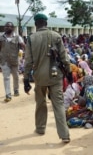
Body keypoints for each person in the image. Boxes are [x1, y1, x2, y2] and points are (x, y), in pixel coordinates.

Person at [23, 14, 73, 143]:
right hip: (56, 76)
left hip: (39, 77)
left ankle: (40, 128)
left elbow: (28, 61)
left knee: (40, 103)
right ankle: (64, 135)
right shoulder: (56, 35)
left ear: (36, 24)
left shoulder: (31, 38)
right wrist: (69, 72)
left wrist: (26, 79)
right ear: (46, 22)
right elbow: (64, 57)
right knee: (59, 105)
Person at [0, 21, 25, 102]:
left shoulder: (18, 37)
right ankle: (8, 95)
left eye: (9, 26)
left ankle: (16, 90)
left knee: (16, 76)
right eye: (6, 26)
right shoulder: (1, 37)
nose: (7, 28)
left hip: (15, 60)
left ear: (13, 28)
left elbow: (23, 46)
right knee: (6, 78)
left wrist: (24, 53)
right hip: (4, 60)